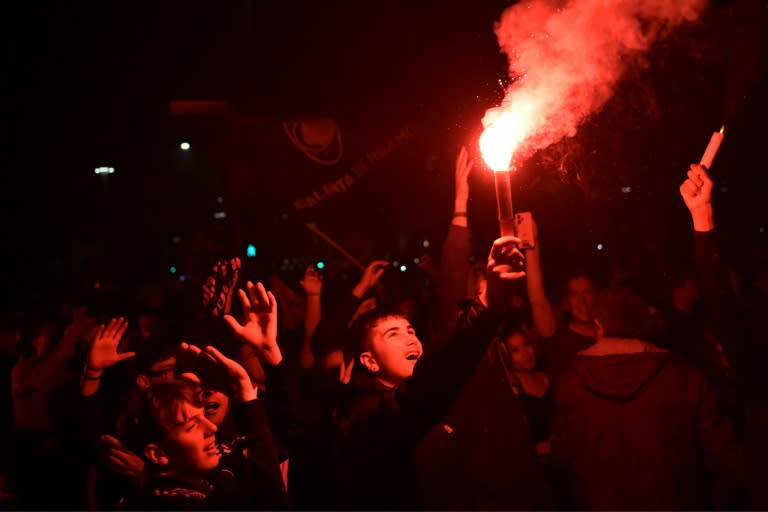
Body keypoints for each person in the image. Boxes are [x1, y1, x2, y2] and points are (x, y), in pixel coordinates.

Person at [333, 235, 535, 509]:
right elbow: (430, 382)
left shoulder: (433, 406)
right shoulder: (365, 415)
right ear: (370, 361)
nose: (409, 339)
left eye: (411, 330)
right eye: (393, 334)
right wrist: (487, 303)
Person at [550, 277, 743, 507]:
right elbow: (726, 456)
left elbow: (562, 455)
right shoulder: (685, 378)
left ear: (599, 326)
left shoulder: (571, 383)